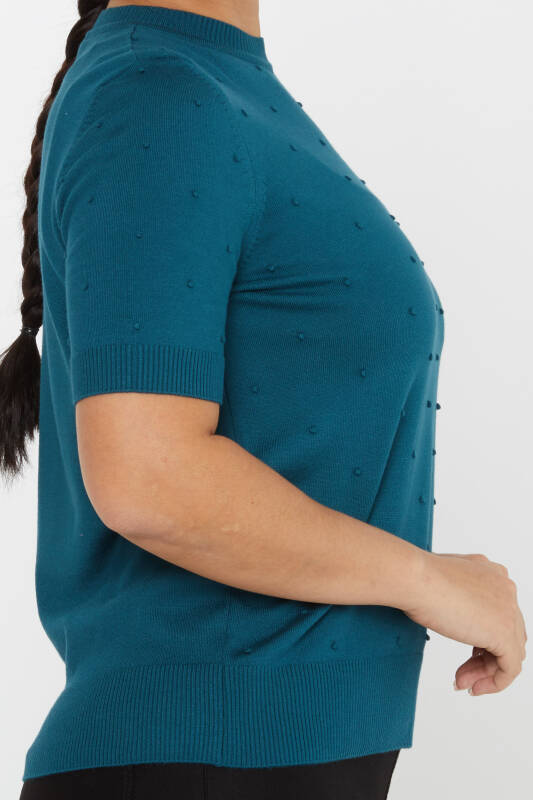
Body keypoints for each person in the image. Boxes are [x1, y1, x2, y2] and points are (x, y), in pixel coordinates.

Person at [0, 2, 525, 798]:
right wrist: (430, 583)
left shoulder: (210, 79)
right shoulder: (156, 91)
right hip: (208, 762)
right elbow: (149, 479)